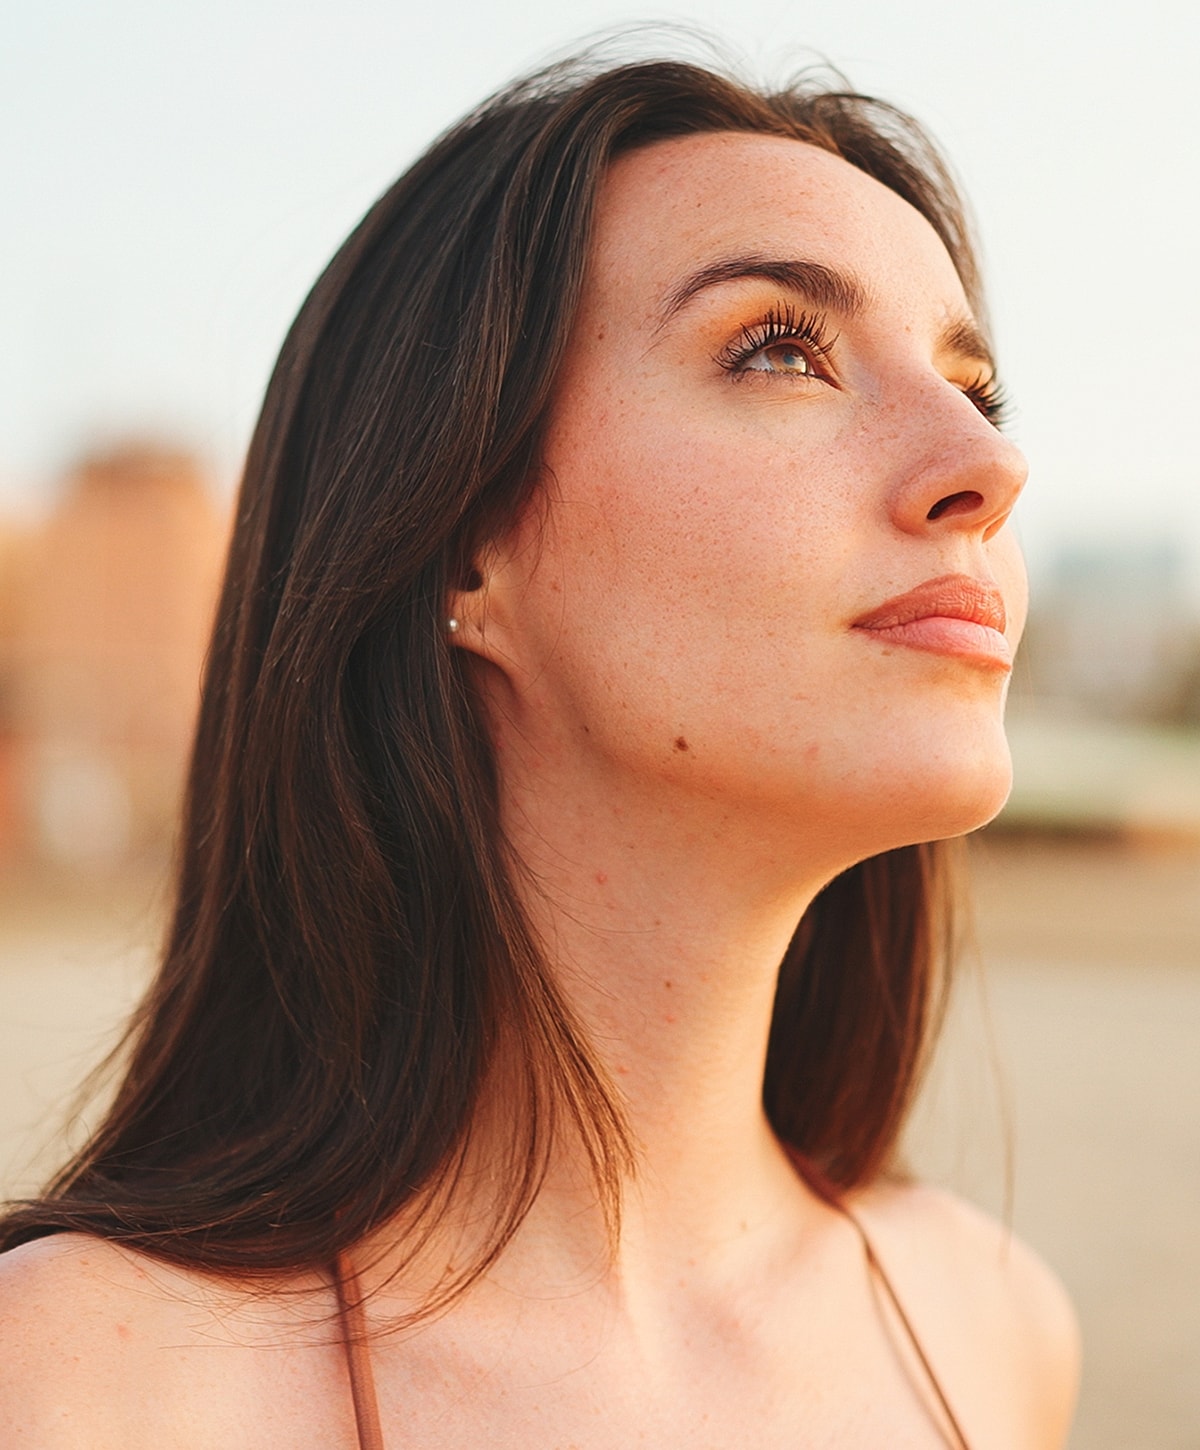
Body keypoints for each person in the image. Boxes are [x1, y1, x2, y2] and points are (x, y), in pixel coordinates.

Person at [0, 49, 1079, 1447]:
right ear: (460, 540)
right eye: (780, 347)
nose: (988, 468)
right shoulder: (81, 1386)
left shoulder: (986, 1327)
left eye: (973, 386)